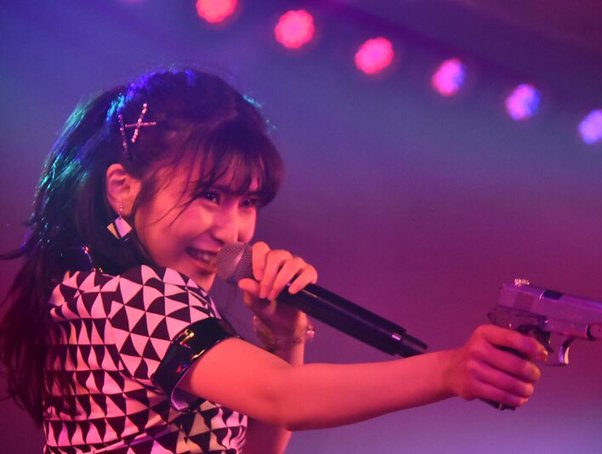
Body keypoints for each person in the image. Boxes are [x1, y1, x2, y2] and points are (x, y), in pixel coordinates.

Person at [0, 68, 546, 453]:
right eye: (209, 196)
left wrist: (284, 340)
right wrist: (451, 370)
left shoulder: (92, 289)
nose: (232, 230)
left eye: (248, 203)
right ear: (122, 188)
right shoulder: (135, 296)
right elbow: (285, 398)